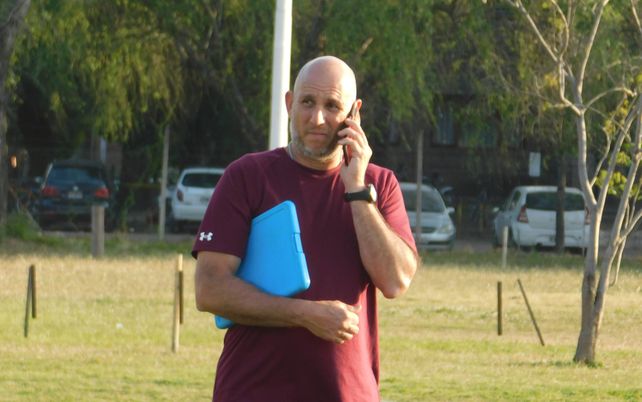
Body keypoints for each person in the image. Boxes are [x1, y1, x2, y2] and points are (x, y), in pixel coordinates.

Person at [193, 55, 418, 402]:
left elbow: (395, 280)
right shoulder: (247, 177)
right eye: (307, 102)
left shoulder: (379, 184)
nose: (317, 118)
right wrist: (305, 314)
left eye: (332, 106)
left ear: (354, 114)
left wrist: (356, 189)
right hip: (251, 392)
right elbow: (210, 289)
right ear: (288, 103)